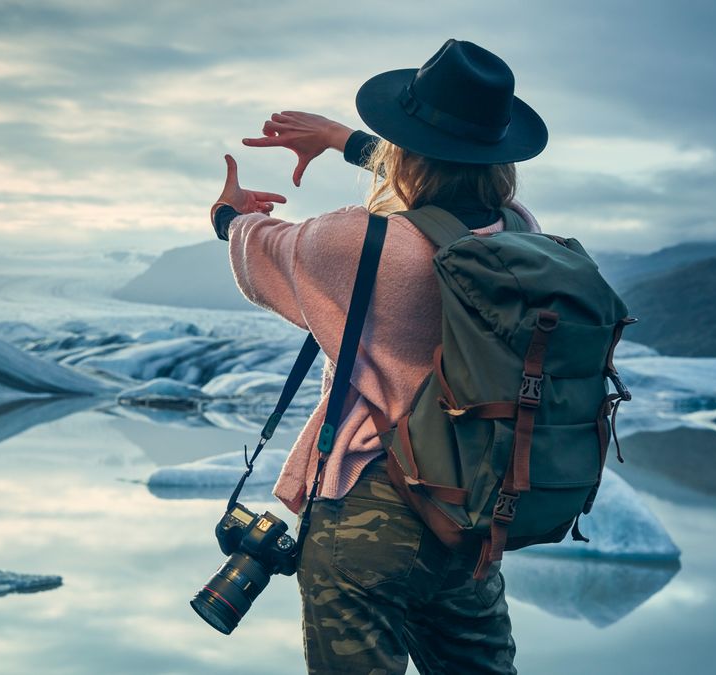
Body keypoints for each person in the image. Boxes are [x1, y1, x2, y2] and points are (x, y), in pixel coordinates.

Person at [209, 39, 549, 674]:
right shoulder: (520, 233)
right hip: (468, 518)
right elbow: (443, 199)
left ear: (406, 146)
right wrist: (344, 140)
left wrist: (230, 215)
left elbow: (259, 256)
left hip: (370, 507)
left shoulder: (356, 242)